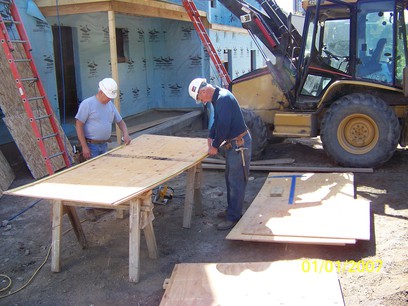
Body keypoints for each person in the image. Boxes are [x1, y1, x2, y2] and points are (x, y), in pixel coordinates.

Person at [188, 78, 252, 230]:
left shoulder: (223, 99)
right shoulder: (219, 97)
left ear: (203, 91)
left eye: (200, 98)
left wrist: (215, 146)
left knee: (236, 182)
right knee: (230, 179)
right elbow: (217, 121)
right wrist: (211, 135)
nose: (202, 101)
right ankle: (232, 210)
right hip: (234, 144)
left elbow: (224, 127)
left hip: (239, 144)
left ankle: (234, 218)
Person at [75, 77, 131, 220]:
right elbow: (78, 125)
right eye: (107, 96)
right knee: (91, 177)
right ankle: (89, 208)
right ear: (100, 91)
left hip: (104, 145)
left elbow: (121, 122)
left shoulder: (110, 105)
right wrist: (84, 146)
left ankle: (100, 203)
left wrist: (126, 133)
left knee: (104, 175)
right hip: (91, 145)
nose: (109, 100)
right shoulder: (88, 104)